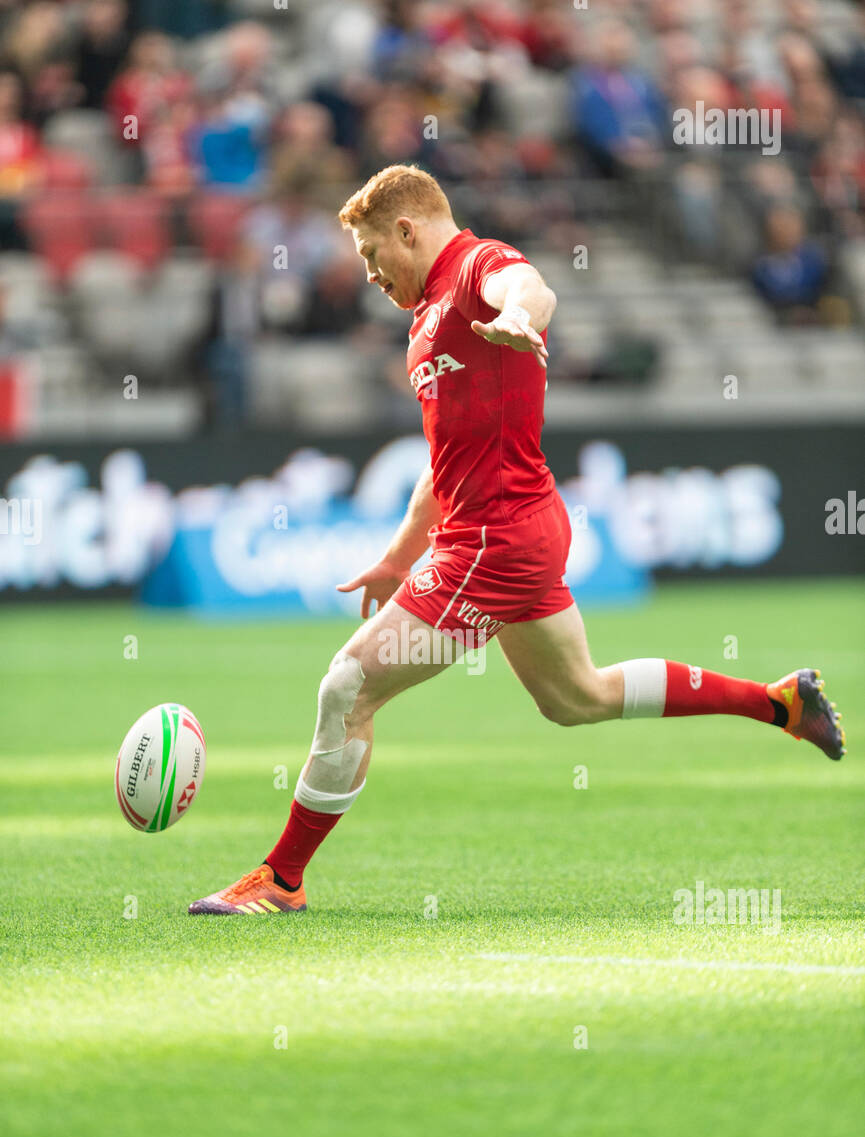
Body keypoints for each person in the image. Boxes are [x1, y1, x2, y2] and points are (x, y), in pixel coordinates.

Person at [189, 164, 845, 916]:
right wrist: (400, 557)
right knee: (577, 697)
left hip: (495, 538)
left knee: (347, 686)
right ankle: (779, 704)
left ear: (407, 230)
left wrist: (517, 316)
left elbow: (531, 287)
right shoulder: (425, 315)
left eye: (373, 254)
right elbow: (443, 466)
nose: (369, 274)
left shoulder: (474, 267)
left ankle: (281, 878)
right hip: (513, 528)